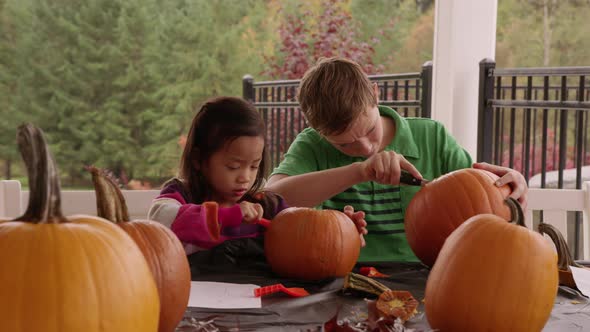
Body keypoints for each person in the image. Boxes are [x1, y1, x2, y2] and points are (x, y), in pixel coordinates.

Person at [265, 57, 528, 263]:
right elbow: (272, 198)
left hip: (428, 274)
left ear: (375, 94)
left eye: (369, 131)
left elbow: (477, 199)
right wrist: (358, 172)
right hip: (341, 276)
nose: (367, 147)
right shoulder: (312, 145)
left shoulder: (431, 136)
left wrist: (510, 187)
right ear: (319, 132)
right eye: (344, 144)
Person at [148, 96, 367, 258]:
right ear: (198, 159)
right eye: (233, 166)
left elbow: (304, 236)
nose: (245, 178)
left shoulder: (268, 205)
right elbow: (160, 221)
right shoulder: (180, 194)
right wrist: (227, 216)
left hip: (262, 305)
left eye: (254, 166)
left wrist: (344, 233)